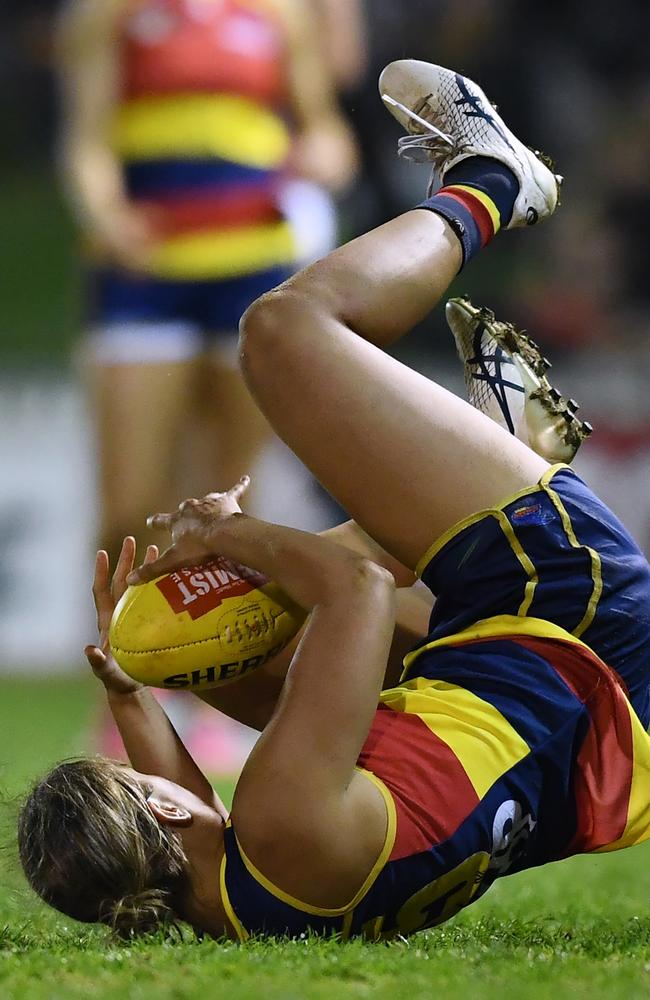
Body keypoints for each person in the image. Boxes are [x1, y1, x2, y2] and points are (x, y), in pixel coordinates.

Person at [19, 60, 650, 941]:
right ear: (157, 813)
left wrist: (133, 686)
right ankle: (497, 181)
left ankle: (499, 449)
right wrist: (231, 535)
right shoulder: (280, 821)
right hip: (565, 616)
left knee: (205, 656)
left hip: (574, 725)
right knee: (281, 334)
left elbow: (191, 805)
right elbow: (352, 592)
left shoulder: (230, 903)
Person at [56, 0, 358, 564]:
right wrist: (107, 217)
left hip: (254, 272)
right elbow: (87, 141)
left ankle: (222, 651)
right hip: (143, 275)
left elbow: (324, 130)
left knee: (230, 503)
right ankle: (122, 647)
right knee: (129, 505)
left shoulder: (278, 12)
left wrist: (324, 157)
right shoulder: (107, 13)